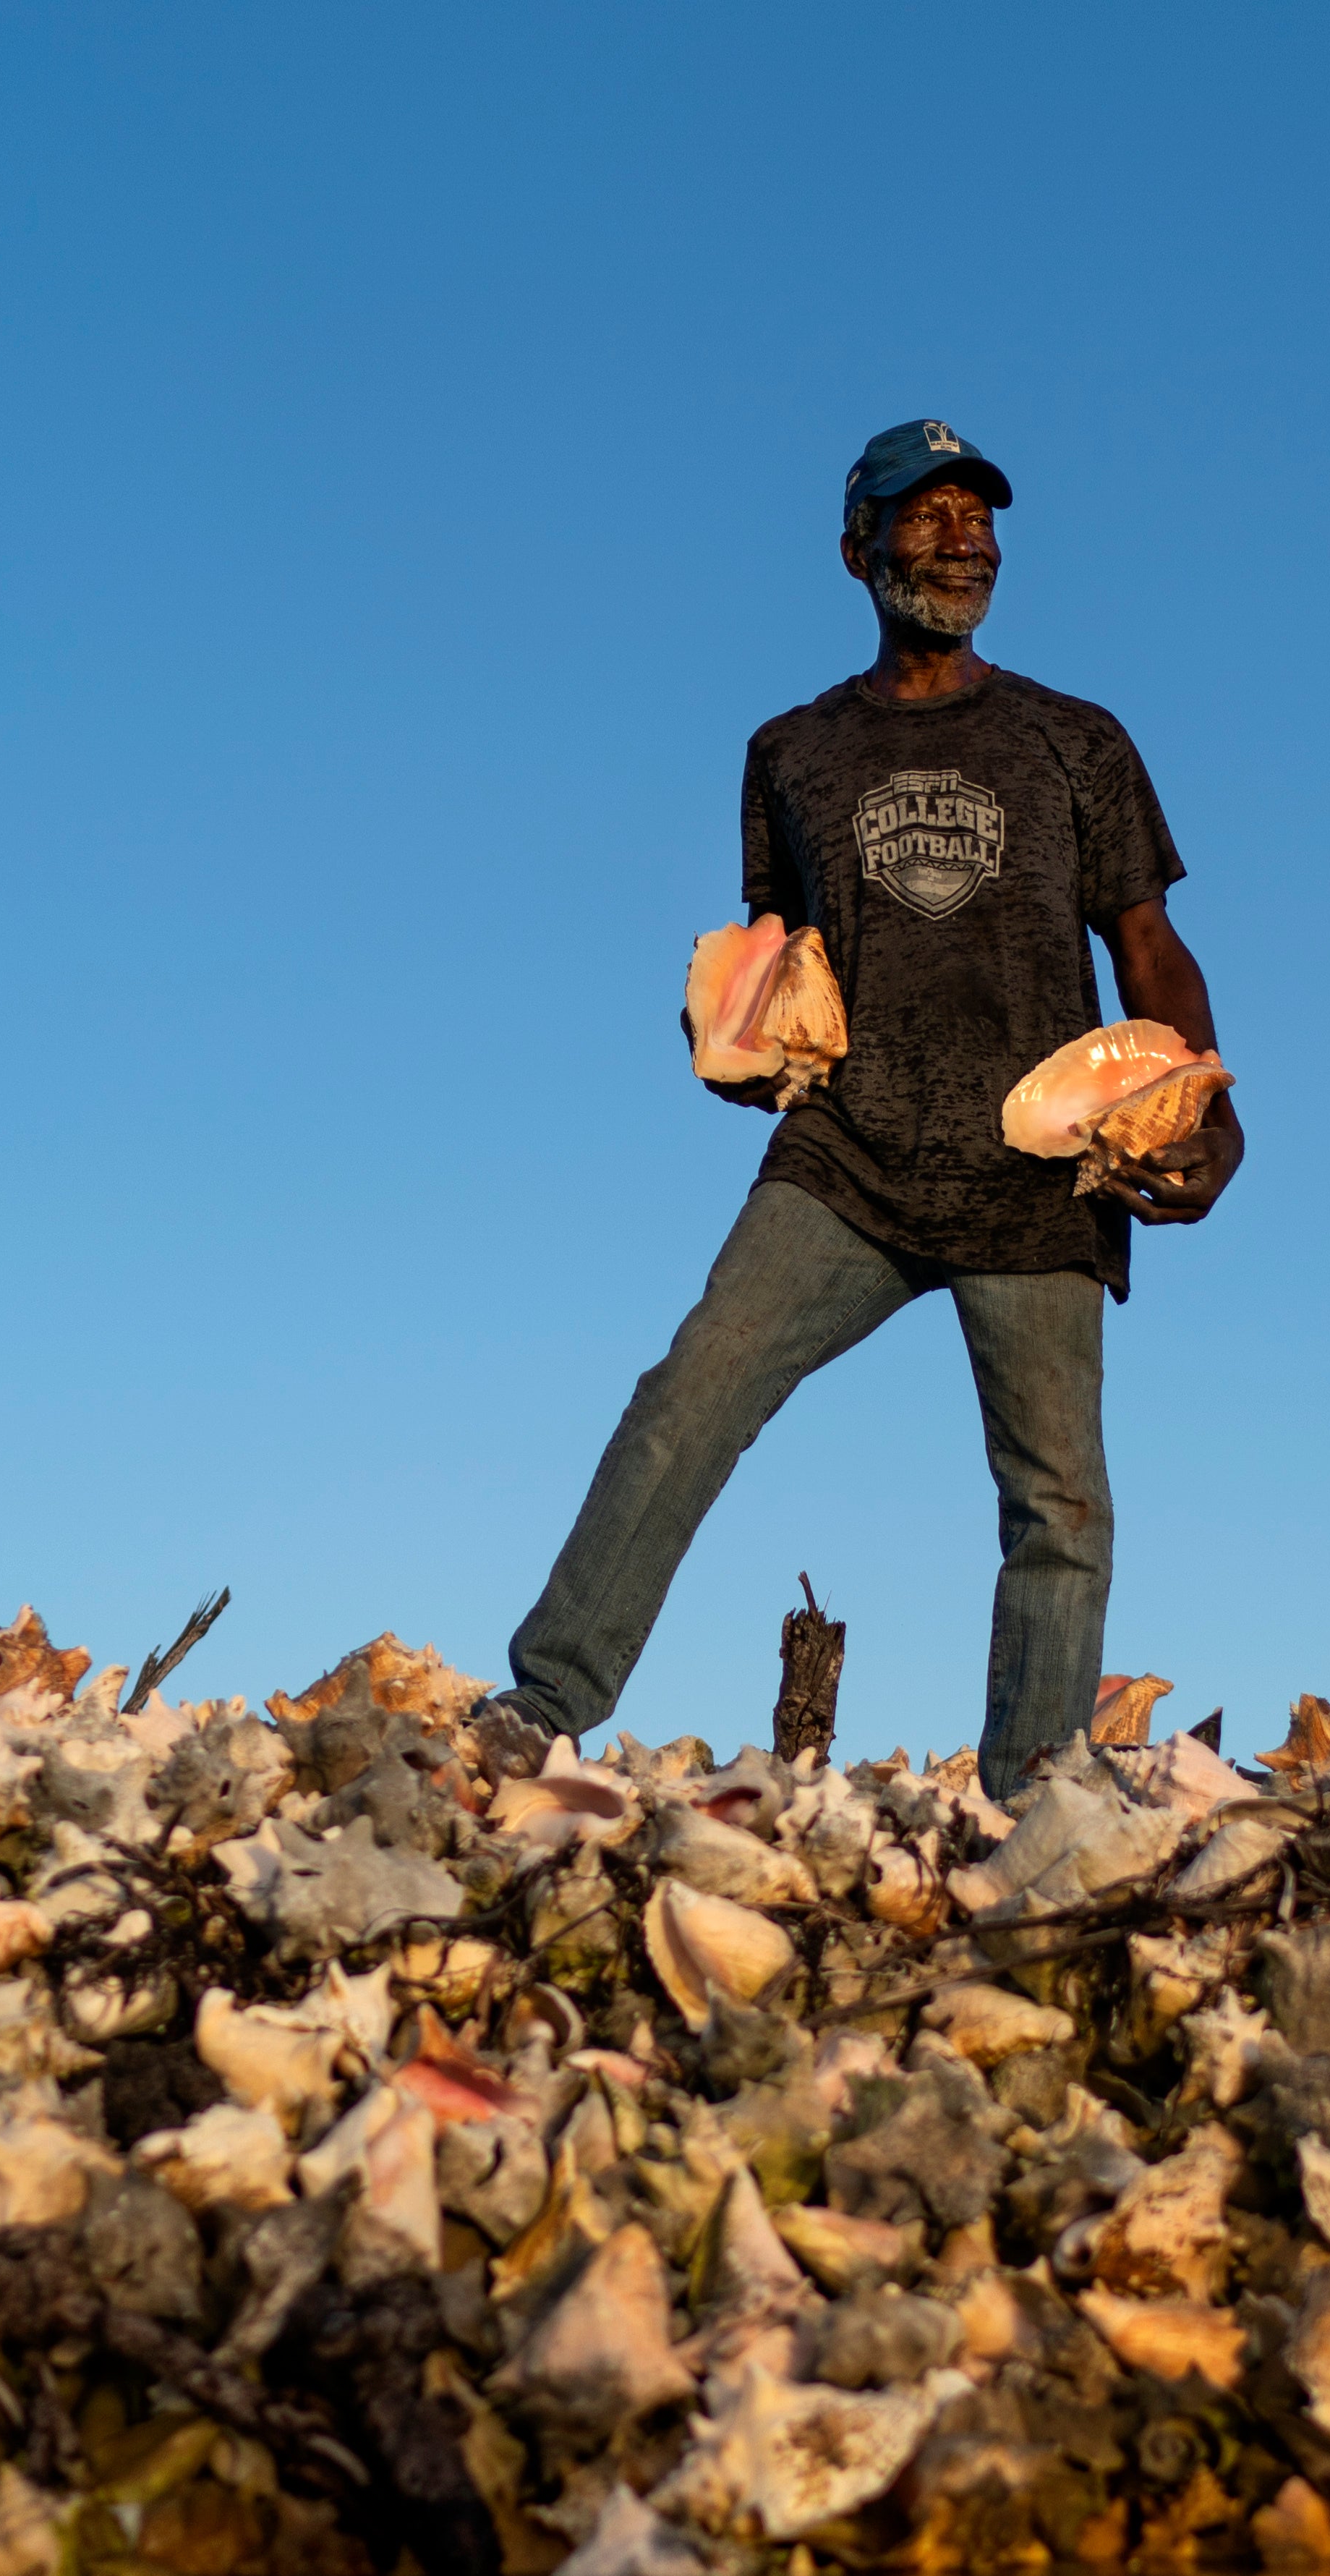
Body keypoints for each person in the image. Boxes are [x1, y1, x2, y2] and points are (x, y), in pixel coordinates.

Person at [477, 418, 1242, 1793]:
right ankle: (539, 1704)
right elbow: (776, 960)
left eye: (976, 514)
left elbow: (1147, 946)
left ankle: (1028, 1802)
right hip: (850, 1160)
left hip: (1039, 1168)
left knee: (1058, 1503)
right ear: (858, 549)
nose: (959, 537)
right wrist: (738, 1037)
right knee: (689, 1396)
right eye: (924, 513)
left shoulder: (1078, 739)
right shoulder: (792, 751)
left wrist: (1207, 1101)